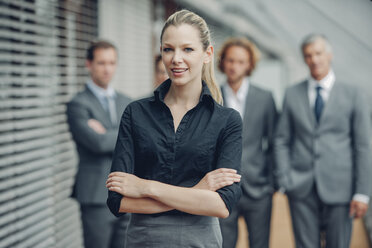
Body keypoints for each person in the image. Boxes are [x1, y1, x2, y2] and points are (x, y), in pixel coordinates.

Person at [106, 9, 243, 248]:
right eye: (168, 49)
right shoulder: (136, 113)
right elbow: (118, 201)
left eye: (187, 49)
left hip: (199, 241)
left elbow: (221, 206)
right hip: (144, 241)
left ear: (207, 54)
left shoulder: (227, 120)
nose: (176, 59)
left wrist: (145, 187)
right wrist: (198, 191)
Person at [274, 34, 372, 248]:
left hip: (341, 189)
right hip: (300, 188)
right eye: (308, 55)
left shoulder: (354, 94)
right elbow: (281, 140)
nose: (314, 60)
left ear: (329, 55)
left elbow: (363, 146)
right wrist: (285, 179)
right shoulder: (292, 94)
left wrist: (362, 192)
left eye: (318, 53)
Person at [67, 40, 132, 248]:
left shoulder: (127, 102)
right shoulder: (78, 104)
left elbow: (139, 140)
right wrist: (126, 134)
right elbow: (97, 143)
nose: (107, 69)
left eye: (111, 63)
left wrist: (110, 134)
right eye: (101, 63)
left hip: (127, 191)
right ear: (89, 64)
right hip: (96, 195)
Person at [218, 37, 277, 248]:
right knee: (223, 244)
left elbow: (274, 141)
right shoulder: (211, 97)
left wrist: (271, 181)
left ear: (250, 64)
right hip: (221, 188)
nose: (234, 66)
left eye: (241, 61)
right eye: (230, 60)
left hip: (259, 189)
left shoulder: (265, 98)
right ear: (222, 62)